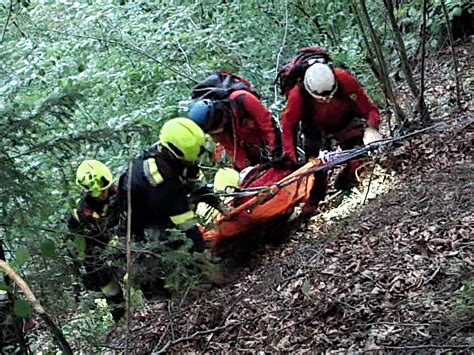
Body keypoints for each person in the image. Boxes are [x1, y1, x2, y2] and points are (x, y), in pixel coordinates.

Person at [279, 47, 382, 215]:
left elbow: (369, 109)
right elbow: (288, 127)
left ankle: (348, 179)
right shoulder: (297, 96)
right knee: (316, 166)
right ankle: (314, 199)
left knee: (358, 153)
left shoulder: (344, 79)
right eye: (322, 98)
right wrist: (290, 158)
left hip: (345, 120)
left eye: (330, 96)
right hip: (315, 127)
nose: (326, 100)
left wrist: (372, 128)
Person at [118, 118, 221, 250]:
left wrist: (216, 203)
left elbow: (194, 180)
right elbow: (182, 218)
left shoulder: (172, 151)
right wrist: (199, 244)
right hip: (145, 219)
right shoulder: (159, 180)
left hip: (165, 199)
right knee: (172, 245)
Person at [66, 159, 125, 322]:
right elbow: (75, 248)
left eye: (103, 191)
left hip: (125, 245)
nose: (101, 195)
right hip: (96, 257)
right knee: (109, 289)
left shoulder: (121, 193)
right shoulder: (80, 212)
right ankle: (121, 319)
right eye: (96, 193)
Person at [187, 70, 280, 171]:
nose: (217, 132)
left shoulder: (242, 99)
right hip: (249, 147)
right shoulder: (218, 132)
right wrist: (246, 170)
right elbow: (234, 150)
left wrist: (277, 153)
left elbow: (268, 126)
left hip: (266, 140)